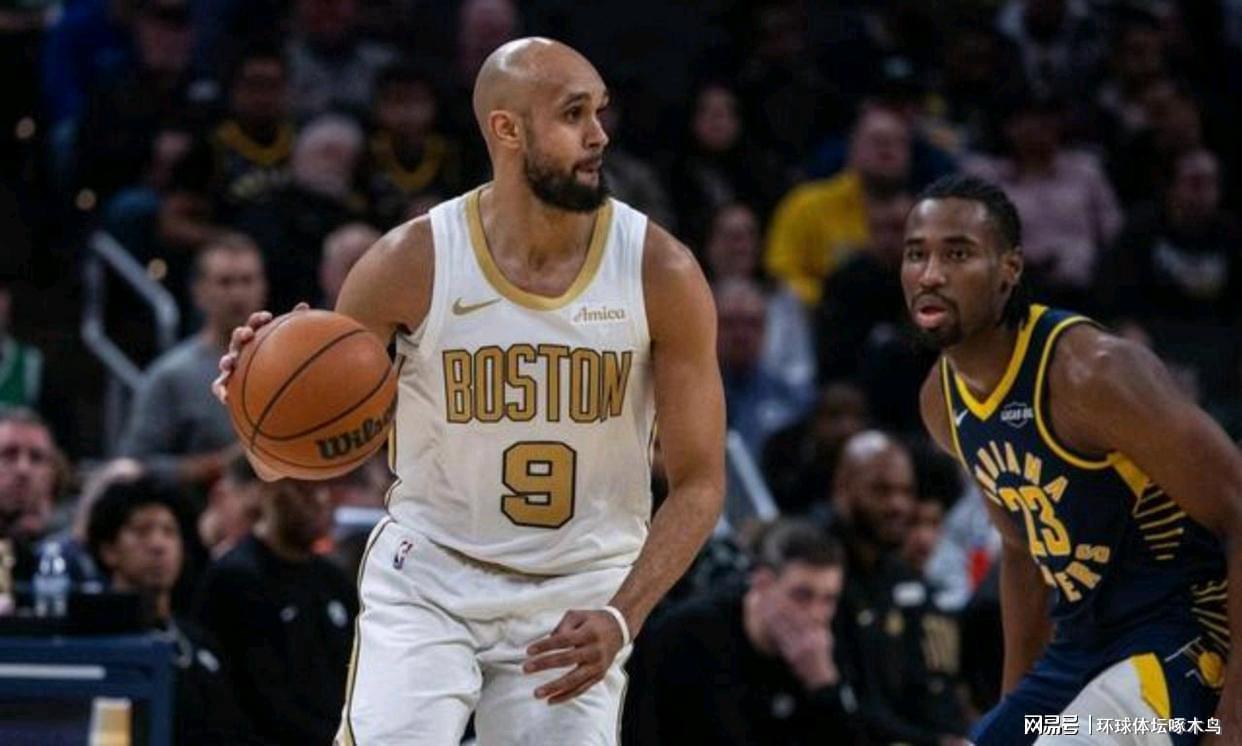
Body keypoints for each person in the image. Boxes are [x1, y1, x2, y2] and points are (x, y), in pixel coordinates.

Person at [213, 37, 726, 746]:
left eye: (599, 111)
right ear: (506, 129)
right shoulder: (409, 262)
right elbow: (286, 462)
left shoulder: (660, 272)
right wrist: (256, 406)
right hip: (430, 578)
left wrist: (623, 614)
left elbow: (701, 484)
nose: (599, 134)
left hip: (577, 594)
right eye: (573, 113)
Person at [903, 173, 1240, 744]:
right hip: (1080, 647)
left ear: (1010, 269)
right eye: (917, 254)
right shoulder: (941, 401)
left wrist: (1232, 718)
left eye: (957, 254)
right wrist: (1013, 716)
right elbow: (1020, 550)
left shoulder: (1092, 374)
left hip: (1187, 639)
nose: (930, 274)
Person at [622, 519, 856, 745]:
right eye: (802, 595)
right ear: (763, 583)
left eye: (829, 599)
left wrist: (823, 686)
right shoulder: (688, 635)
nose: (816, 614)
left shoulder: (823, 647)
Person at [86, 476, 257, 746]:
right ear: (109, 551)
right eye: (142, 531)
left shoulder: (201, 642)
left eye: (169, 532)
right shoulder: (95, 643)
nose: (159, 545)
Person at [824, 430, 969, 745]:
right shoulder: (818, 579)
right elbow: (848, 705)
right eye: (881, 490)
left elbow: (940, 695)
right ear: (842, 489)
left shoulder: (905, 580)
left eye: (906, 492)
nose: (898, 505)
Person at [195, 477, 356, 746]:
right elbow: (255, 702)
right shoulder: (235, 579)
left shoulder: (335, 581)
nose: (319, 500)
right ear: (267, 491)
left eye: (324, 488)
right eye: (303, 489)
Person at [121, 234, 265, 491]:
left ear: (263, 286)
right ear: (199, 292)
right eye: (225, 282)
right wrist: (217, 466)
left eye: (247, 280)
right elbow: (133, 466)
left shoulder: (287, 364)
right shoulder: (172, 375)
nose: (238, 294)